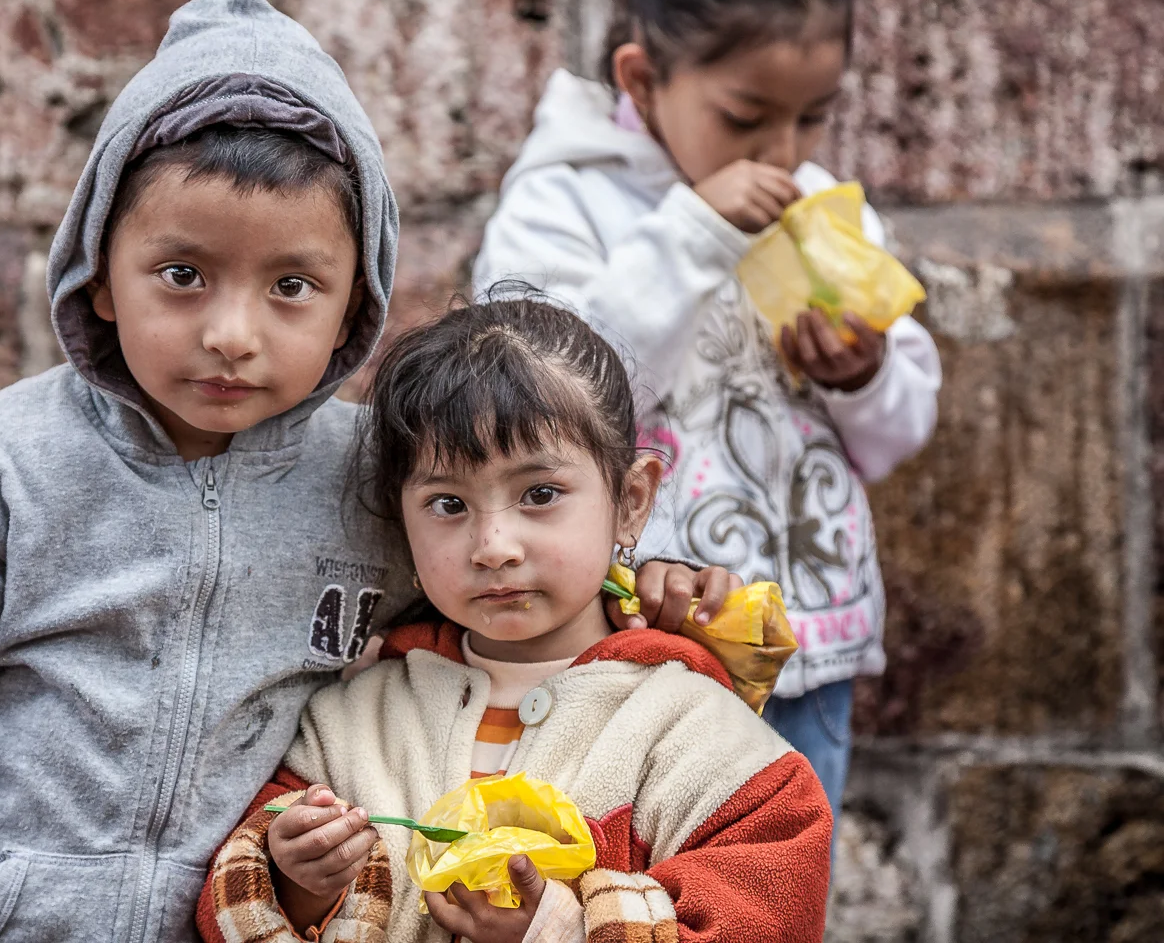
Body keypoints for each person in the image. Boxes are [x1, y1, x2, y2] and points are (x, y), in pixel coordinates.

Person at [0, 0, 733, 943]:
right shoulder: (0, 474)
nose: (232, 336)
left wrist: (637, 590)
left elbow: (507, 596)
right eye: (183, 275)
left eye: (292, 285)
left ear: (352, 305)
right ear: (100, 271)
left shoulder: (386, 481)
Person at [471, 0, 942, 838]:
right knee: (629, 886)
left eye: (813, 120)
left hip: (799, 643)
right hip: (638, 644)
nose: (783, 154)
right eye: (744, 117)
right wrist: (695, 232)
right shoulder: (563, 203)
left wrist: (864, 375)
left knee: (783, 887)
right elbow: (549, 396)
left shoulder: (825, 213)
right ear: (643, 80)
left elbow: (900, 429)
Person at [197, 299, 832, 943]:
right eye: (448, 503)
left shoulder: (700, 738)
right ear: (400, 522)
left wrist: (559, 928)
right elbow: (234, 901)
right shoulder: (347, 727)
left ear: (631, 502)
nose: (494, 544)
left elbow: (771, 912)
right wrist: (299, 881)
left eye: (540, 494)